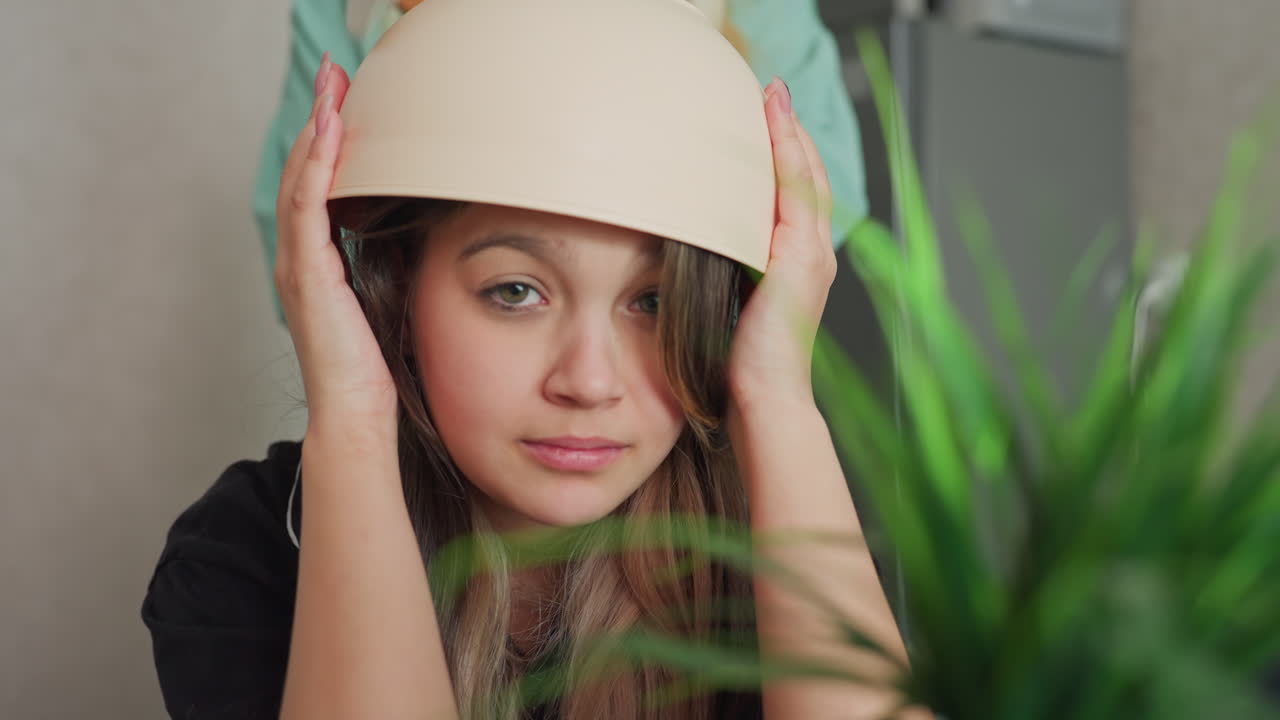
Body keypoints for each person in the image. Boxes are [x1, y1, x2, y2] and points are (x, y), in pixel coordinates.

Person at [142, 1, 916, 718]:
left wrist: (777, 398)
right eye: (515, 291)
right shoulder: (253, 553)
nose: (588, 382)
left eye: (652, 302)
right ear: (394, 288)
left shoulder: (765, 557)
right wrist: (350, 417)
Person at [251, 0, 869, 325]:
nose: (586, 382)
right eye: (517, 290)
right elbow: (312, 242)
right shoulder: (349, 11)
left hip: (685, 397)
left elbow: (820, 206)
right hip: (431, 421)